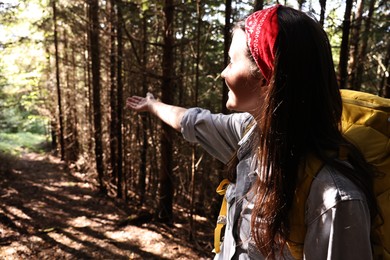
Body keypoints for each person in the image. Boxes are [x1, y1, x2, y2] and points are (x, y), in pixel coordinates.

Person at [126, 5, 377, 259]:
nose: (223, 72)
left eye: (232, 62)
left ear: (266, 77)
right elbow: (192, 121)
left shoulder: (334, 199)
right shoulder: (250, 134)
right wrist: (153, 105)